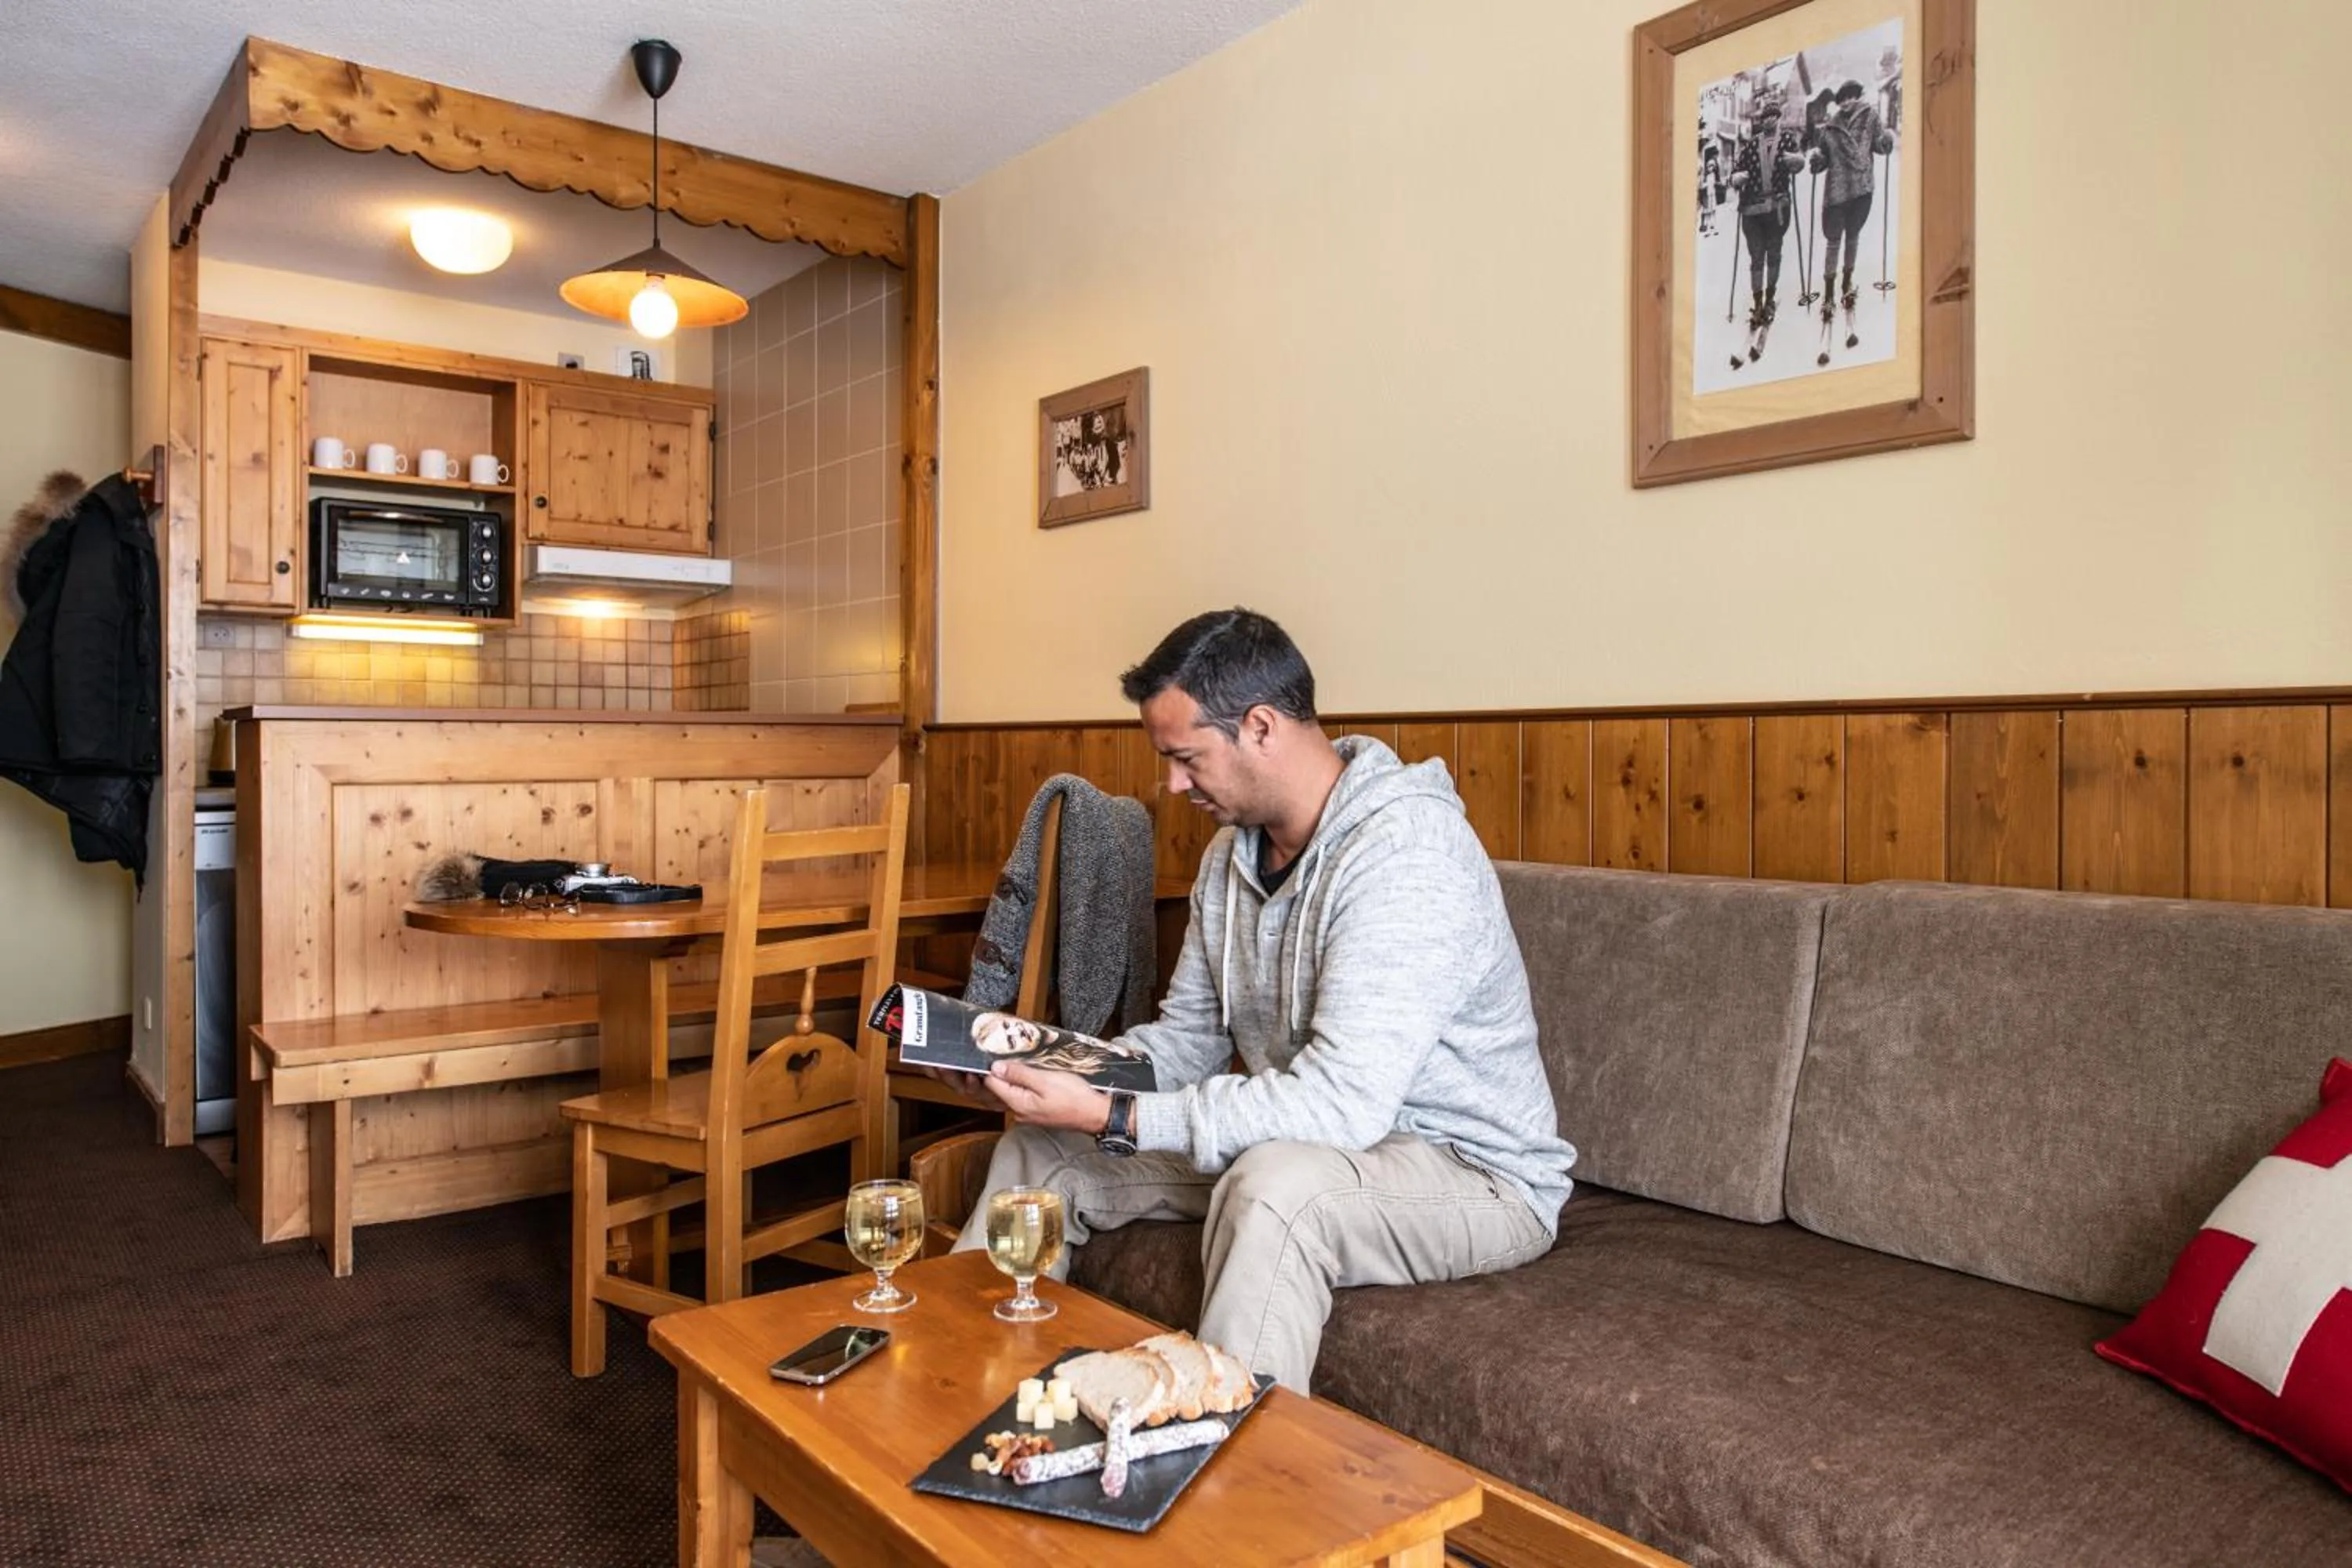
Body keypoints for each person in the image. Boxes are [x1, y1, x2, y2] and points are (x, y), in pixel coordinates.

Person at [954, 608, 1575, 1393]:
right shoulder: (1230, 857)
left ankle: (1219, 1466)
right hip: (1319, 1139)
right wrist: (1053, 1066)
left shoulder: (1408, 853)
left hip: (1468, 1171)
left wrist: (1117, 1115)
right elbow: (1187, 1040)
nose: (1173, 784)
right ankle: (962, 1402)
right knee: (1038, 1151)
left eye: (1186, 758)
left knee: (1277, 1189)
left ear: (1260, 727)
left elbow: (1343, 1105)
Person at [1809, 79, 1895, 339]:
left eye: (1851, 96)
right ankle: (1828, 291)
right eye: (1842, 98)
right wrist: (1817, 160)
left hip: (1861, 188)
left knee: (1853, 237)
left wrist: (1886, 142)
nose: (1847, 102)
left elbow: (1878, 146)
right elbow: (1824, 158)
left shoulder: (1870, 117)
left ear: (1858, 96)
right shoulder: (1830, 127)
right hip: (1836, 192)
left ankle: (1847, 283)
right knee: (1833, 240)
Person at [1726, 95, 1806, 350]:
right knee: (1756, 257)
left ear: (1778, 118)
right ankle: (1758, 303)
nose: (1769, 120)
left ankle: (1770, 297)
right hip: (1752, 210)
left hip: (1777, 208)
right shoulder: (1751, 145)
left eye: (1773, 116)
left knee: (1774, 253)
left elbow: (1799, 161)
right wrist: (1736, 177)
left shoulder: (1788, 140)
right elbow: (1736, 170)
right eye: (1765, 117)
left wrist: (1798, 162)